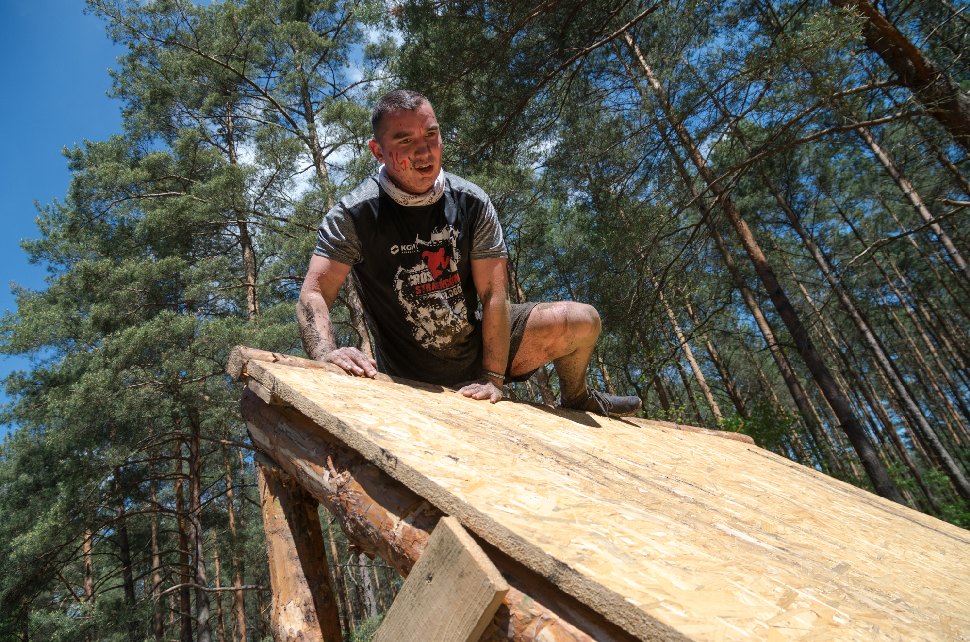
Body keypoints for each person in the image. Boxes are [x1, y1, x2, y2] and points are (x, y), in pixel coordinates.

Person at [296, 89, 641, 417]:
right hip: (407, 375)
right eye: (405, 141)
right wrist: (326, 352)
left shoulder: (471, 201)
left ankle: (577, 396)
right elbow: (315, 292)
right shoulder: (354, 215)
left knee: (583, 320)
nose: (424, 151)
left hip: (480, 352)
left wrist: (492, 378)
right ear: (378, 151)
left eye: (431, 135)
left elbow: (494, 293)